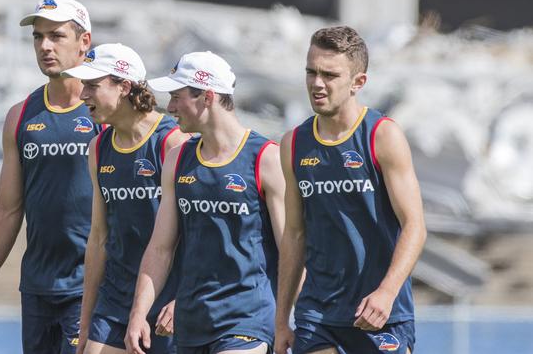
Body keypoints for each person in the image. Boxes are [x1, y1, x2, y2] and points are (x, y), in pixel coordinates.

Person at [0, 0, 102, 354]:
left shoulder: (108, 115)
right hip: (37, 289)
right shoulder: (21, 116)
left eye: (56, 36)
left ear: (84, 42)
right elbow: (7, 209)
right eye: (38, 37)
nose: (45, 46)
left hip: (94, 287)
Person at [274, 26, 427, 354]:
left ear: (358, 82)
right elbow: (294, 235)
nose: (317, 83)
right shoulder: (293, 144)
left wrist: (386, 292)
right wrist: (281, 319)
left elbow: (414, 225)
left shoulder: (382, 136)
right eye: (311, 71)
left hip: (381, 312)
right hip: (318, 312)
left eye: (329, 74)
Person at [124, 51, 285, 354]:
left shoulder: (266, 159)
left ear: (207, 96)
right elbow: (160, 248)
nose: (169, 107)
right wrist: (137, 315)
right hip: (191, 323)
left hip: (248, 321)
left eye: (176, 96)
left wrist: (292, 320)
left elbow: (291, 249)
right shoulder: (177, 159)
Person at [60, 43, 189, 354]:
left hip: (169, 301)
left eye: (92, 85)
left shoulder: (172, 143)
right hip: (116, 299)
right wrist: (87, 318)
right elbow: (98, 238)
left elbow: (201, 232)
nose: (82, 95)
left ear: (125, 86)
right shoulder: (98, 148)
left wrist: (184, 297)